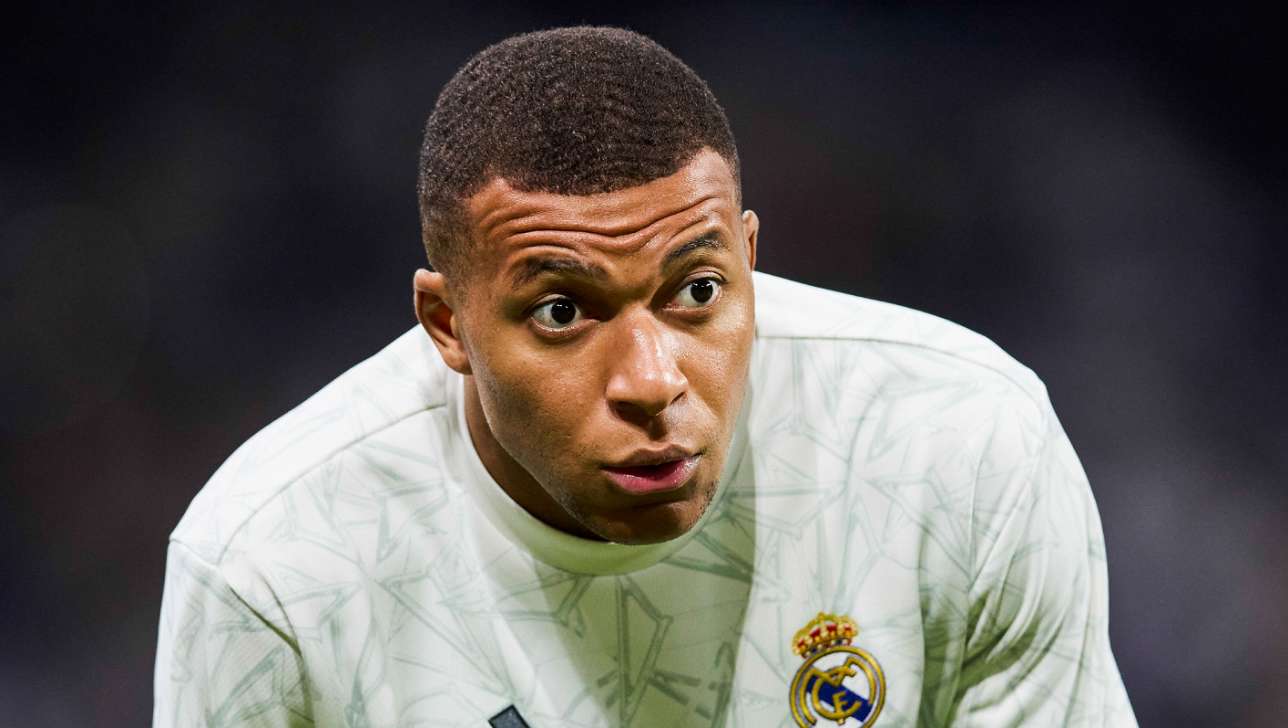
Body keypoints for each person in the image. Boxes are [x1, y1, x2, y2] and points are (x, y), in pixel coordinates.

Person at [153, 26, 1136, 728]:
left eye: (697, 290)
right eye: (562, 311)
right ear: (448, 325)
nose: (652, 380)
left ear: (749, 260)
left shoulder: (958, 443)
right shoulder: (273, 569)